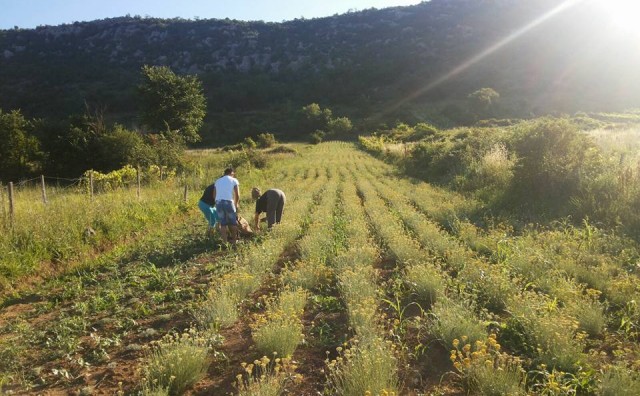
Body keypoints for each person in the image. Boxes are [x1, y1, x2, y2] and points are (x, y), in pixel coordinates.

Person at [213, 167, 240, 245]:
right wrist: (236, 203)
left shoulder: (217, 181)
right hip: (228, 202)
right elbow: (237, 194)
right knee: (233, 222)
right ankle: (234, 241)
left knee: (223, 223)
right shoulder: (234, 180)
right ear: (231, 173)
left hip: (218, 202)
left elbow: (214, 195)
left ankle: (225, 243)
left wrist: (217, 203)